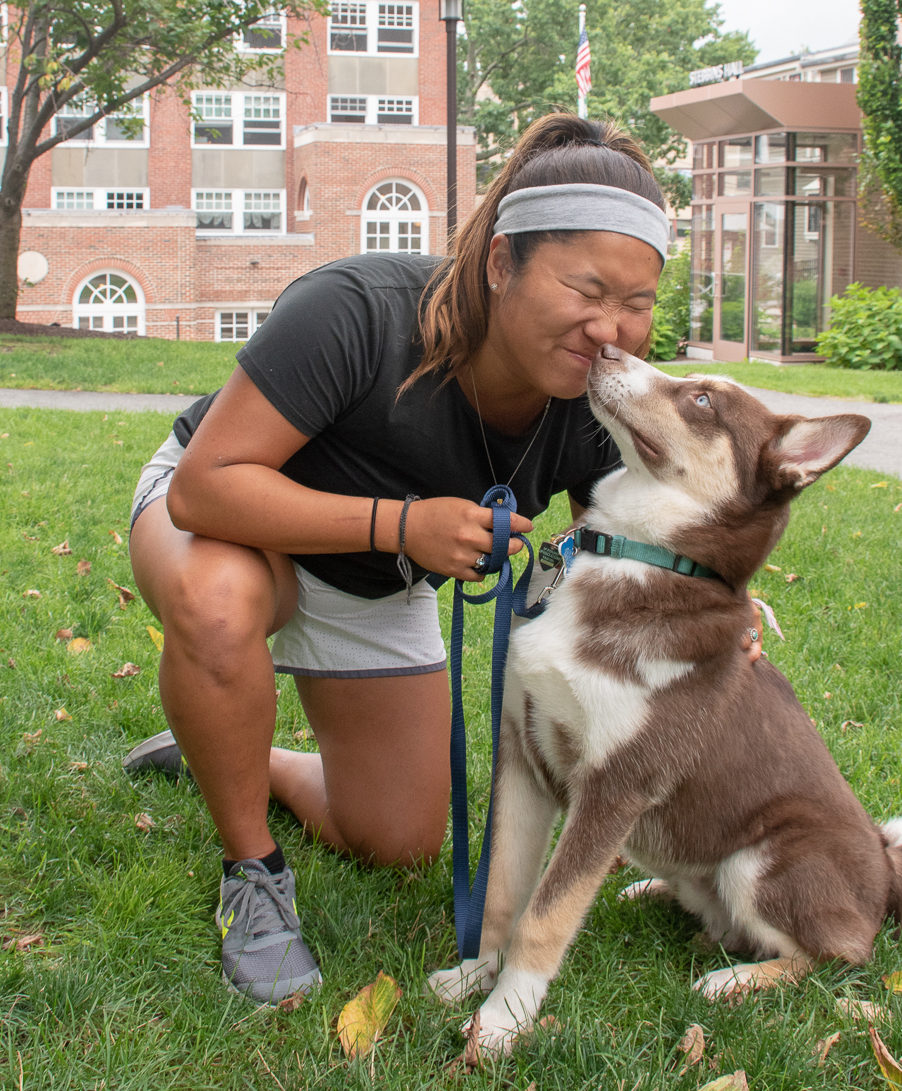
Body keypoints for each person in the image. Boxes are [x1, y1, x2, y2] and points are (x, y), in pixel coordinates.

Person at [124, 112, 688, 1004]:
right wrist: (405, 526)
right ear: (502, 263)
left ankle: (227, 749)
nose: (609, 330)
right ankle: (252, 873)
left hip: (376, 580)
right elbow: (207, 487)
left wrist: (696, 620)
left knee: (397, 838)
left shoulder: (595, 399)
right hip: (243, 523)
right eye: (586, 289)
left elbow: (622, 560)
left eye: (638, 303)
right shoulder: (358, 309)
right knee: (218, 598)